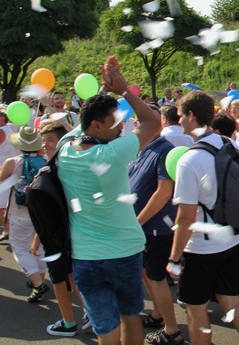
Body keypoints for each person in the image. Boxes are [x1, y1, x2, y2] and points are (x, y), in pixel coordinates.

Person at [58, 56, 161, 345]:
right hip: (125, 252)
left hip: (86, 256)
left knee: (106, 328)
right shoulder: (113, 153)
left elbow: (79, 127)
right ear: (95, 126)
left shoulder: (65, 150)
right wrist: (123, 90)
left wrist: (100, 96)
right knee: (130, 317)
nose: (121, 127)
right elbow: (153, 121)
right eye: (114, 122)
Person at [167, 91, 239, 345]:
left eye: (180, 115)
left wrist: (174, 258)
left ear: (191, 116)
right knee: (232, 300)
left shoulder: (189, 160)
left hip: (203, 248)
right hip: (234, 240)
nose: (179, 121)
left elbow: (186, 217)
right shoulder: (228, 143)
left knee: (196, 308)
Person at [129, 104, 182, 345]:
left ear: (158, 122)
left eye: (142, 120)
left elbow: (163, 194)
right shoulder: (143, 149)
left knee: (156, 278)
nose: (137, 124)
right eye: (137, 120)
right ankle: (159, 314)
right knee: (146, 274)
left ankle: (172, 330)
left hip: (156, 229)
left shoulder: (164, 151)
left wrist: (136, 222)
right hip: (143, 228)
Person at [32, 119, 89, 336]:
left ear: (62, 143)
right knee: (72, 276)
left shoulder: (59, 170)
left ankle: (68, 323)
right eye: (43, 140)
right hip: (63, 234)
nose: (45, 145)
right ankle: (90, 314)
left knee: (59, 279)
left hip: (59, 237)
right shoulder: (60, 167)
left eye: (50, 140)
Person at [0, 126, 49, 303]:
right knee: (39, 246)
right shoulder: (46, 160)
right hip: (42, 212)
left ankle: (37, 282)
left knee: (20, 247)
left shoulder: (13, 162)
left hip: (20, 211)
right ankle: (40, 277)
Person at [0, 106, 18, 241]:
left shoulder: (2, 131)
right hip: (15, 166)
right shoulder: (13, 127)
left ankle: (9, 230)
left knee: (1, 205)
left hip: (4, 168)